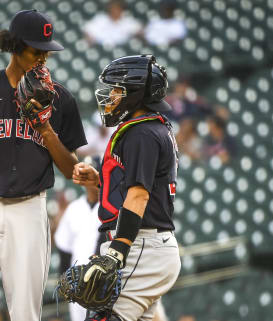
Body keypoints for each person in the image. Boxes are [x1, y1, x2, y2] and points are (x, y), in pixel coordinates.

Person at [0, 9, 87, 321]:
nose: (43, 59)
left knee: (25, 313)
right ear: (15, 47)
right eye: (36, 51)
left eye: (46, 52)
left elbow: (71, 169)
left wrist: (46, 129)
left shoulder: (60, 99)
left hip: (29, 208)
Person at [72, 55, 181, 321]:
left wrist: (117, 251)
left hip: (141, 244)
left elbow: (140, 195)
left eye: (118, 90)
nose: (111, 96)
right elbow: (142, 187)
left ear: (135, 94)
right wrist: (101, 181)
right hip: (149, 244)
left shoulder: (141, 133)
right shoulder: (148, 129)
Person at [54, 156, 102, 321]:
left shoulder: (112, 208)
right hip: (77, 285)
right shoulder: (74, 208)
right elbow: (64, 248)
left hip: (104, 283)